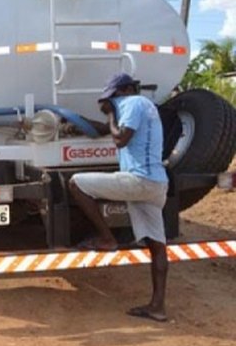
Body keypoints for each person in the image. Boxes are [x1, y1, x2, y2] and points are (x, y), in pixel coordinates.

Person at [69, 73, 170, 322]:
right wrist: (79, 122)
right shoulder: (144, 106)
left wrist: (112, 113)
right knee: (157, 246)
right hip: (156, 184)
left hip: (139, 180)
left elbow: (120, 138)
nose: (110, 103)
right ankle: (157, 306)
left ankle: (107, 238)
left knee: (76, 184)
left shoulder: (133, 103)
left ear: (123, 90)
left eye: (112, 97)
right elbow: (110, 130)